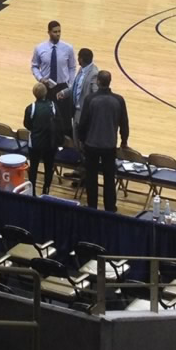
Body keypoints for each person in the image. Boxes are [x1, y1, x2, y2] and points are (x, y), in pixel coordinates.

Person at [76, 71, 128, 213]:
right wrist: (124, 141)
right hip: (109, 146)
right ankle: (109, 208)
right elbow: (124, 123)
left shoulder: (90, 99)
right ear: (109, 82)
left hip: (91, 145)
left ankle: (92, 206)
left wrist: (81, 139)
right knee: (109, 179)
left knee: (91, 177)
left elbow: (83, 122)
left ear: (98, 82)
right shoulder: (119, 100)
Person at [23, 81, 60, 194]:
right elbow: (59, 122)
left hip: (35, 143)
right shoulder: (53, 106)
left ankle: (32, 191)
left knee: (33, 167)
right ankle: (46, 190)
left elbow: (27, 125)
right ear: (46, 92)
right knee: (49, 168)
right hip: (50, 143)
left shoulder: (31, 108)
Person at [31, 21, 77, 106]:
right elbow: (34, 66)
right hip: (46, 87)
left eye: (59, 31)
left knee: (64, 115)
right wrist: (41, 79)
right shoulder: (40, 48)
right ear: (49, 32)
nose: (58, 34)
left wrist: (70, 84)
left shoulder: (68, 48)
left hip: (63, 86)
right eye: (55, 32)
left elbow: (72, 67)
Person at [68, 47, 99, 139]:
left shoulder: (94, 73)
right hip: (76, 110)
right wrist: (64, 93)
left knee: (82, 141)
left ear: (80, 59)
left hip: (84, 113)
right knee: (75, 140)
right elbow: (75, 87)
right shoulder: (82, 69)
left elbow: (96, 94)